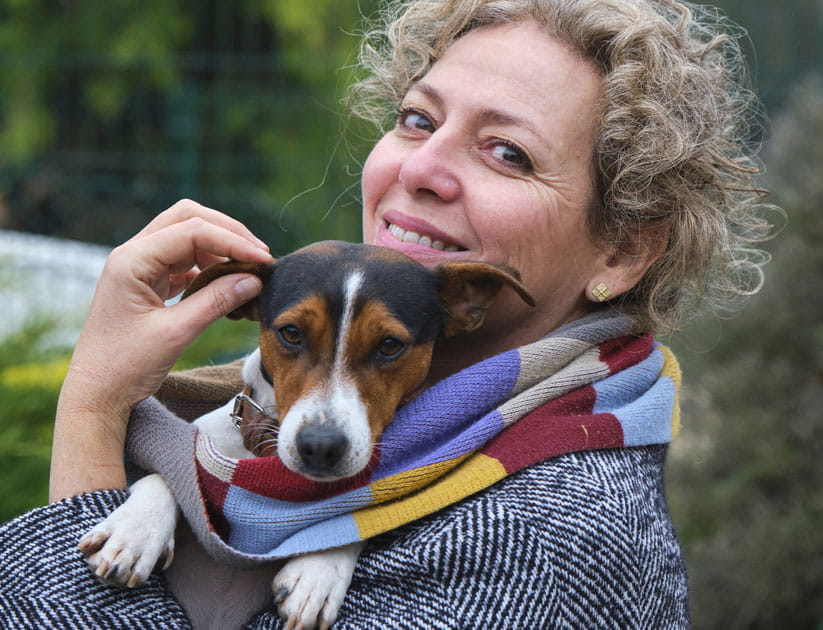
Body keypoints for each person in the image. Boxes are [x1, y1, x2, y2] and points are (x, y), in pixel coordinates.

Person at [1, 0, 774, 627]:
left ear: (622, 253)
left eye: (508, 152)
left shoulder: (542, 537)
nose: (425, 167)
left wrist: (94, 407)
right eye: (416, 118)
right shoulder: (265, 422)